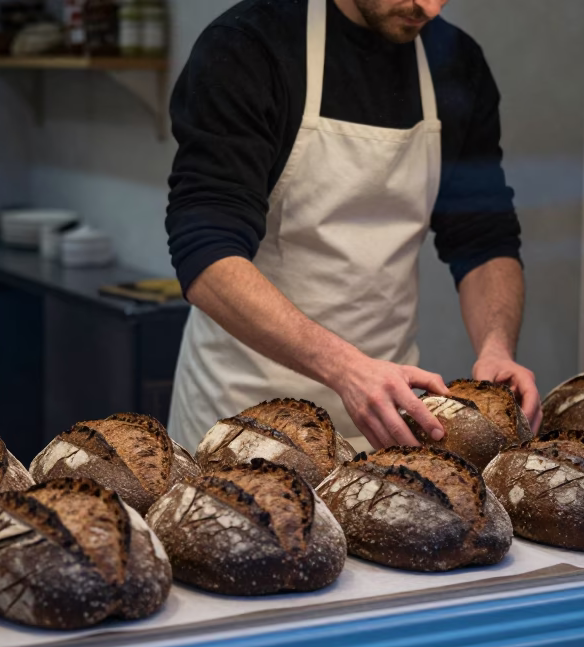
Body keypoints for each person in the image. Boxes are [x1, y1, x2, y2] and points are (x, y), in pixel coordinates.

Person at [165, 0, 540, 452]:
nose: (428, 6)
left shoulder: (458, 64)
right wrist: (345, 368)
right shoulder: (250, 46)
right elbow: (206, 253)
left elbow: (484, 239)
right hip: (245, 416)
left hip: (389, 416)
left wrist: (496, 348)